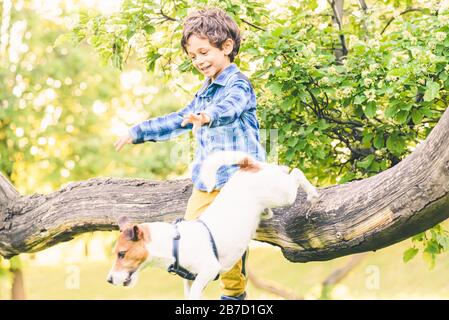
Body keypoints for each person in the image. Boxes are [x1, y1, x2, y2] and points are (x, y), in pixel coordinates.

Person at [114, 7, 266, 300]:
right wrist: (139, 131)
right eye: (193, 56)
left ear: (227, 47)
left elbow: (231, 107)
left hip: (237, 181)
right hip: (206, 182)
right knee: (187, 236)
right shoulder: (204, 91)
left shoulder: (238, 84)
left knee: (229, 244)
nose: (198, 60)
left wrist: (209, 115)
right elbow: (178, 119)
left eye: (203, 52)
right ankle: (194, 284)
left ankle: (233, 296)